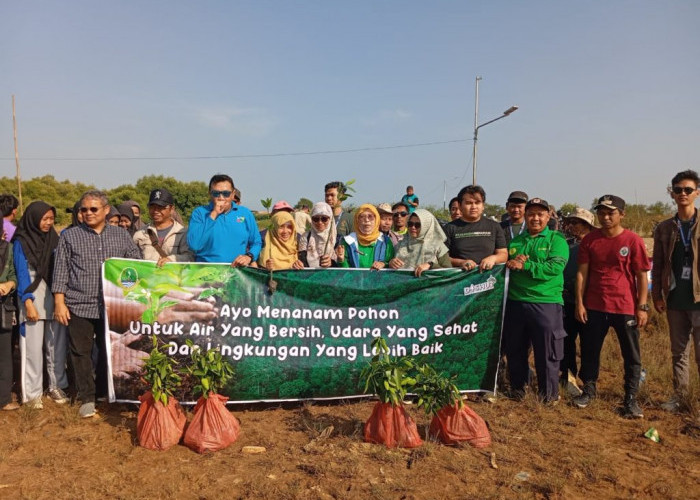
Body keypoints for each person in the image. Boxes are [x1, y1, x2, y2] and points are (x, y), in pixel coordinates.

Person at [52, 190, 141, 418]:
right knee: (80, 352)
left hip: (112, 306)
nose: (88, 213)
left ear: (106, 210)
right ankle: (86, 398)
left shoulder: (121, 236)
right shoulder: (69, 236)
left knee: (108, 350)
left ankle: (104, 391)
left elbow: (136, 265)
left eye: (93, 209)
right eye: (84, 209)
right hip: (79, 303)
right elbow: (61, 271)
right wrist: (59, 303)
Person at [573, 195, 650, 418]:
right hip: (595, 305)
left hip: (625, 306)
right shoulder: (590, 240)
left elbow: (642, 276)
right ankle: (588, 390)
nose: (605, 217)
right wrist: (580, 303)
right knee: (590, 350)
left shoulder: (632, 240)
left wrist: (642, 306)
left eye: (611, 213)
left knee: (631, 354)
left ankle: (631, 398)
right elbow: (581, 274)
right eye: (602, 212)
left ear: (622, 214)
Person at [503, 198, 569, 404]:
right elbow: (507, 266)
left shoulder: (556, 240)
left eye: (540, 214)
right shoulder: (515, 242)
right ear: (525, 216)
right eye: (531, 214)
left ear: (548, 216)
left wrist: (526, 266)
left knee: (547, 352)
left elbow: (554, 268)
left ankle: (549, 395)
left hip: (546, 303)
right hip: (516, 302)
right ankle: (517, 389)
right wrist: (510, 264)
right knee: (516, 349)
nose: (535, 218)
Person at [652, 170, 700, 412]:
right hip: (674, 298)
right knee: (678, 352)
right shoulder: (664, 228)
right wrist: (657, 296)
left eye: (688, 190)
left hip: (698, 298)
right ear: (671, 193)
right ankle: (680, 397)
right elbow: (658, 263)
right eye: (678, 190)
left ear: (697, 193)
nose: (683, 194)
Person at [12, 201, 68, 408]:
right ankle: (32, 393)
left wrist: (61, 300)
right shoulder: (21, 241)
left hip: (54, 298)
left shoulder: (55, 239)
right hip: (32, 299)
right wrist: (27, 302)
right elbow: (21, 273)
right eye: (44, 219)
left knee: (56, 346)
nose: (48, 223)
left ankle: (56, 385)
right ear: (33, 219)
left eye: (51, 219)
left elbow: (60, 269)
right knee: (32, 349)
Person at [187, 174, 261, 265]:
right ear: (210, 193)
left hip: (236, 272)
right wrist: (213, 214)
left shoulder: (245, 213)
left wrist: (249, 256)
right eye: (216, 193)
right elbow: (194, 245)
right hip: (206, 273)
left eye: (226, 194)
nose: (221, 198)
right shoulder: (199, 213)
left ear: (233, 194)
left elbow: (256, 242)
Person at [560, 207, 595, 397]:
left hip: (591, 302)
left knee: (589, 344)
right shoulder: (565, 245)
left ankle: (589, 381)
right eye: (571, 222)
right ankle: (568, 377)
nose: (573, 226)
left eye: (578, 223)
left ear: (588, 225)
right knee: (566, 341)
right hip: (567, 300)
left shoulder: (596, 244)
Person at [444, 185, 507, 272]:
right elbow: (443, 258)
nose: (474, 207)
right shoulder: (449, 228)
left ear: (483, 205)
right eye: (469, 203)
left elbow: (503, 254)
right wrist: (461, 262)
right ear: (460, 205)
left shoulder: (494, 226)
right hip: (459, 280)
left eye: (477, 202)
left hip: (488, 281)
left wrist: (493, 258)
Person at [133, 188, 193, 266]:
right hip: (147, 277)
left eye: (161, 207)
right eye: (152, 206)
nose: (155, 211)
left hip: (173, 277)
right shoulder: (140, 234)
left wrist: (171, 259)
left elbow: (190, 257)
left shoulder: (183, 233)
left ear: (172, 209)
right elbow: (132, 260)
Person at [389, 209, 451, 276]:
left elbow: (449, 272)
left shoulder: (438, 246)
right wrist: (390, 263)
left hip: (430, 285)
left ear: (427, 226)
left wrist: (431, 266)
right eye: (410, 224)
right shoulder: (400, 244)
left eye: (417, 225)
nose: (413, 227)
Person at [337, 204, 394, 270]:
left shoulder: (385, 242)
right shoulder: (347, 241)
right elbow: (345, 272)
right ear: (357, 221)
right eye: (362, 217)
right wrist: (341, 260)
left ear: (376, 220)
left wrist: (383, 264)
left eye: (370, 216)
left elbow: (390, 264)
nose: (366, 220)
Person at [0, 232, 17, 411]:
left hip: (3, 307)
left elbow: (13, 273)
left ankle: (3, 399)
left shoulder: (8, 248)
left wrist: (9, 284)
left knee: (4, 355)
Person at [299, 202, 336, 268]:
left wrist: (331, 262)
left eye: (324, 219)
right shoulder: (306, 237)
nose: (320, 222)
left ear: (330, 219)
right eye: (316, 219)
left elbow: (341, 265)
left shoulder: (336, 238)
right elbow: (302, 261)